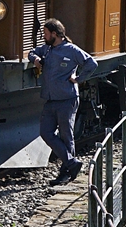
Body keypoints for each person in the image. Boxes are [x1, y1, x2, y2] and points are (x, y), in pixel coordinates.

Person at [28, 18, 98, 185]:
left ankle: (66, 172)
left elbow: (92, 63)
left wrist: (79, 79)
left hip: (67, 99)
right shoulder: (46, 49)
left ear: (55, 34)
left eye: (46, 33)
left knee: (67, 136)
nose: (44, 37)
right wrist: (35, 60)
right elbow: (31, 52)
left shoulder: (71, 50)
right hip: (50, 100)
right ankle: (72, 163)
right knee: (46, 133)